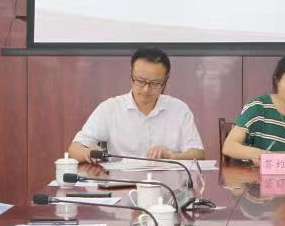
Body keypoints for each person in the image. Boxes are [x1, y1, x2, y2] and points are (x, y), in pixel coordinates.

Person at [68, 47, 205, 163]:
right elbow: (74, 149)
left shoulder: (179, 109)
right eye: (140, 81)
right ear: (131, 75)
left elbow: (198, 153)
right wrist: (87, 152)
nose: (146, 89)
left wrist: (171, 156)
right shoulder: (110, 108)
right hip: (122, 183)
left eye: (155, 83)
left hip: (169, 184)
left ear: (166, 81)